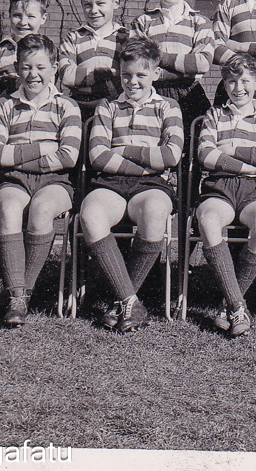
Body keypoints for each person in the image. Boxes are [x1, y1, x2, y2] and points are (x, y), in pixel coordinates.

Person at [79, 36, 183, 333]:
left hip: (152, 186)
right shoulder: (107, 108)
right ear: (118, 73)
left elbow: (171, 154)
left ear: (155, 74)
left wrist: (123, 151)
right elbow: (98, 155)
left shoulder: (168, 107)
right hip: (111, 182)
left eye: (141, 74)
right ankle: (130, 302)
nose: (133, 82)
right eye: (126, 75)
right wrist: (144, 162)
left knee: (154, 213)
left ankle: (121, 301)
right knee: (91, 214)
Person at [0, 35, 81, 327]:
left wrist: (19, 155)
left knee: (41, 210)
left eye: (41, 67)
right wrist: (43, 148)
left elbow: (69, 157)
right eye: (26, 67)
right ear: (16, 67)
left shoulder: (67, 106)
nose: (33, 74)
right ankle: (18, 296)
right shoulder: (4, 106)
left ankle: (17, 294)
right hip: (13, 180)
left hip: (56, 182)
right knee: (10, 208)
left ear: (53, 68)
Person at [196, 54, 256, 337]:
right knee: (208, 219)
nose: (238, 88)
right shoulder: (214, 115)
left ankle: (229, 305)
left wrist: (231, 149)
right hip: (220, 186)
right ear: (224, 83)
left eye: (245, 81)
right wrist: (248, 164)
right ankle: (236, 304)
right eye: (231, 81)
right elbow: (205, 154)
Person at [131, 0, 214, 140]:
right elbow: (138, 63)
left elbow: (201, 64)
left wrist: (158, 60)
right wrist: (183, 67)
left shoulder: (200, 23)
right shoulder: (143, 22)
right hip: (151, 95)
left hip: (189, 95)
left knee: (190, 150)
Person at [58, 0, 130, 122]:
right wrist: (110, 73)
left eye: (100, 3)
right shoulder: (73, 38)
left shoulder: (126, 38)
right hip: (79, 110)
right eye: (87, 5)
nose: (94, 11)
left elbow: (128, 76)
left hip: (115, 111)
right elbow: (67, 75)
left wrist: (82, 77)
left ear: (115, 3)